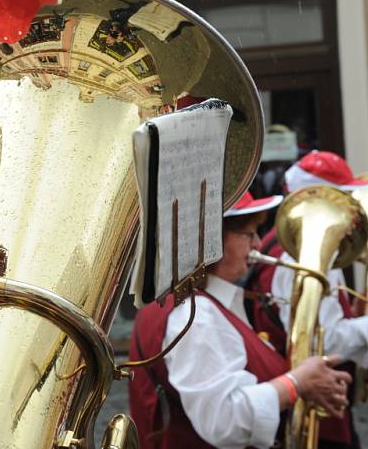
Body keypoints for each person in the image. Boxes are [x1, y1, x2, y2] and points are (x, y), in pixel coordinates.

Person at [129, 191, 353, 449]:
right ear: (212, 240)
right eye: (248, 234)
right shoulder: (196, 317)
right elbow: (225, 420)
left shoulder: (197, 304)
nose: (258, 244)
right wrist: (297, 383)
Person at [245, 150, 368, 448]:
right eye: (345, 199)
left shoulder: (300, 251)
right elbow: (325, 343)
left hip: (318, 394)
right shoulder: (295, 258)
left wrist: (362, 317)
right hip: (312, 406)